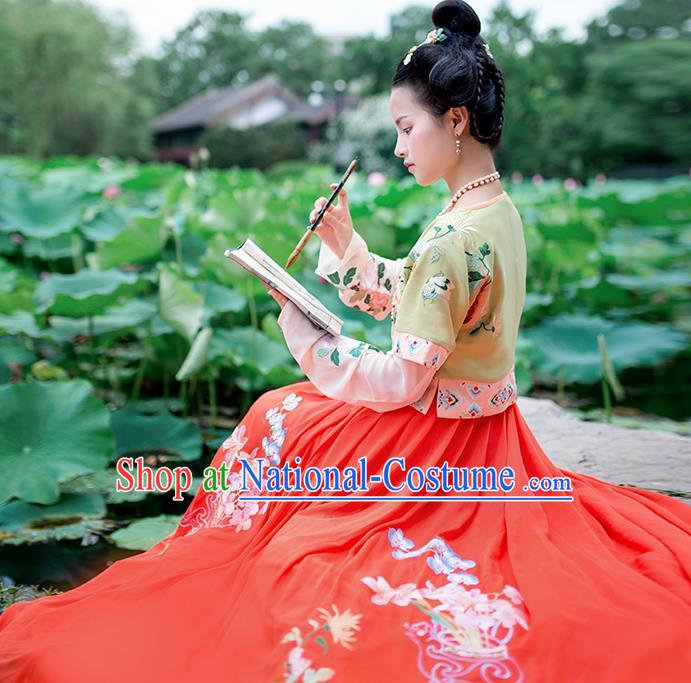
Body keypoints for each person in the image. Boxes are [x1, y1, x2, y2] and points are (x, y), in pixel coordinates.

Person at [1, 1, 689, 681]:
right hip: (489, 434)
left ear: (453, 120)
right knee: (288, 416)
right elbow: (423, 296)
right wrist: (345, 243)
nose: (396, 146)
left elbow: (398, 379)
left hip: (435, 449)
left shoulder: (453, 234)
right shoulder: (491, 209)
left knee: (281, 421)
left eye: (403, 127)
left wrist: (308, 336)